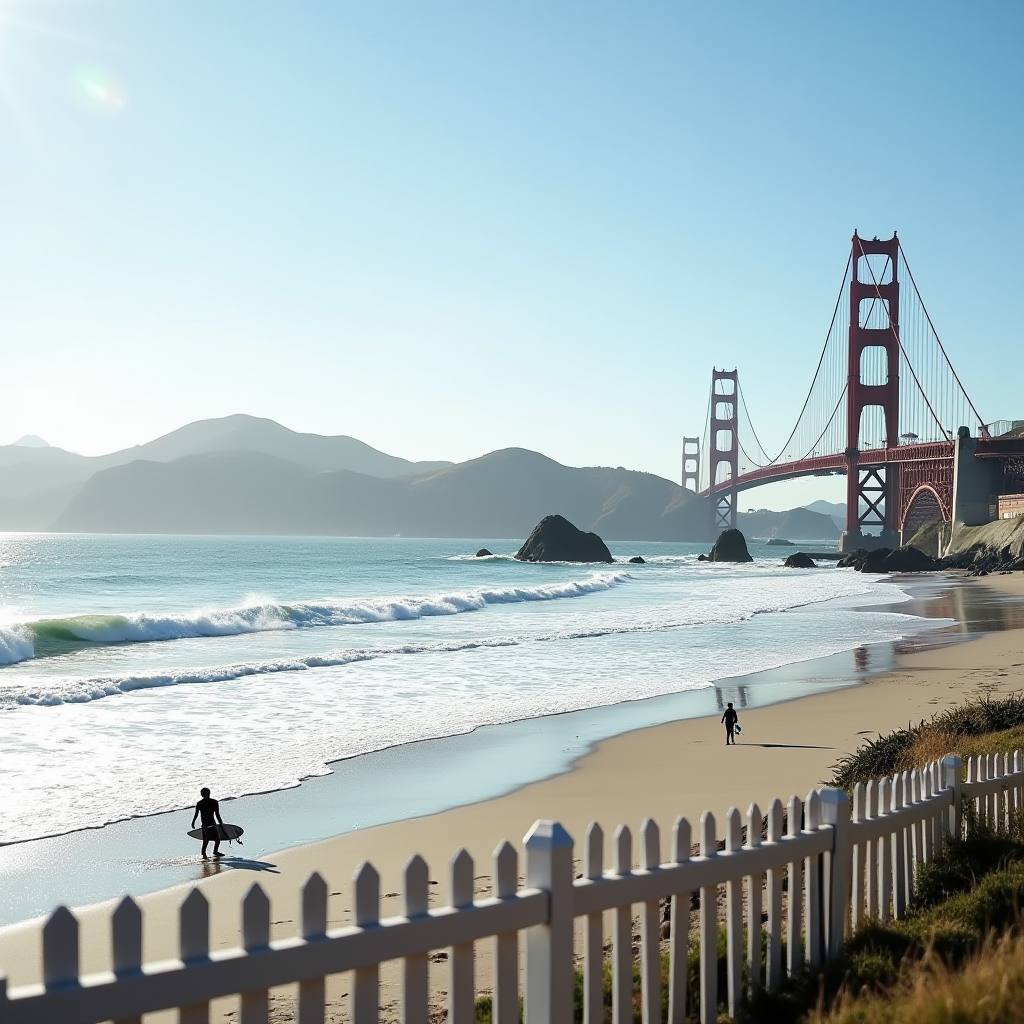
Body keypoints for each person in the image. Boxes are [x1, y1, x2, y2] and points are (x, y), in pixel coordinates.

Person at [191, 787, 226, 859]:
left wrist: (193, 822)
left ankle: (204, 853)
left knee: (206, 840)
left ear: (202, 794)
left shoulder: (200, 803)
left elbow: (196, 814)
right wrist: (221, 823)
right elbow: (217, 814)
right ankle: (214, 851)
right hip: (212, 823)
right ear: (209, 793)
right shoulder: (214, 802)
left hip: (205, 824)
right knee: (217, 839)